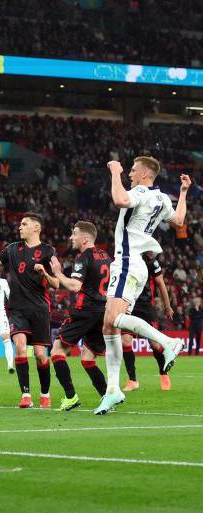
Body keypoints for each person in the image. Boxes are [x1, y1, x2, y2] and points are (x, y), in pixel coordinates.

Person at [95, 158, 189, 415]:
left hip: (127, 261)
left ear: (146, 173)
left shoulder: (140, 191)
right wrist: (183, 193)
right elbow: (179, 220)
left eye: (134, 170)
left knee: (113, 318)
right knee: (109, 324)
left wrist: (114, 172)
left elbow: (120, 200)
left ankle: (167, 342)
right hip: (135, 264)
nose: (130, 173)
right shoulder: (162, 198)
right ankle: (113, 389)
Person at [0, 213, 61, 409]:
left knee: (41, 355)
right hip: (17, 310)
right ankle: (26, 395)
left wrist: (44, 273)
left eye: (24, 224)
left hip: (40, 309)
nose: (20, 227)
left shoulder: (48, 251)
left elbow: (57, 283)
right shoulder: (12, 249)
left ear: (36, 228)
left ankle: (44, 394)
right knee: (20, 348)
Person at [36, 221, 110, 411]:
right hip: (103, 311)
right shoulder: (106, 256)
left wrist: (58, 273)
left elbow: (75, 286)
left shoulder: (83, 257)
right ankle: (107, 397)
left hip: (85, 311)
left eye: (74, 234)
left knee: (57, 351)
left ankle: (70, 397)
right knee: (87, 358)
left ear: (85, 239)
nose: (71, 237)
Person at [120, 254, 172, 391]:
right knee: (125, 342)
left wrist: (167, 306)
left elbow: (160, 283)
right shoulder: (125, 258)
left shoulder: (150, 261)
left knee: (155, 345)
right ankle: (132, 380)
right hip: (128, 304)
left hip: (145, 308)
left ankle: (164, 374)